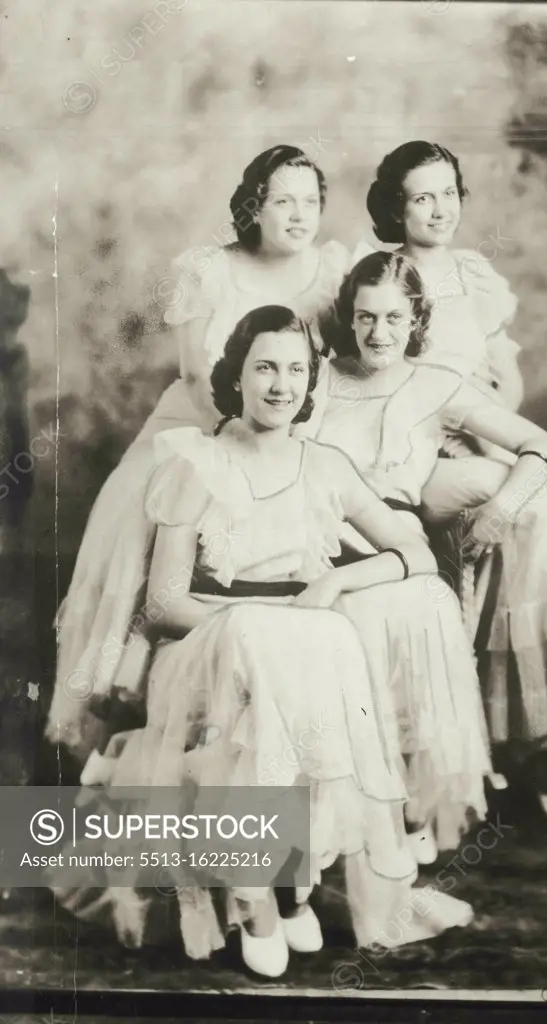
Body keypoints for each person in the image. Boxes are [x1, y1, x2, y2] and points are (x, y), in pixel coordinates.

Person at [49, 305, 486, 977]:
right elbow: (164, 604)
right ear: (237, 376)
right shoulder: (196, 461)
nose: (280, 385)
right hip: (203, 650)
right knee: (270, 637)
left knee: (327, 637)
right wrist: (256, 629)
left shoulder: (326, 465)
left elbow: (416, 554)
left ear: (310, 380)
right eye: (264, 368)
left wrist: (334, 587)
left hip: (295, 653)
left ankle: (295, 883)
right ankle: (255, 896)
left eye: (295, 369)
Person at [301, 251, 547, 825]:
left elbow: (541, 446)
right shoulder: (318, 378)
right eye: (367, 317)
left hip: (385, 544)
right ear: (349, 317)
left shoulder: (434, 386)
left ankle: (399, 814)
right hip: (312, 533)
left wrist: (500, 508)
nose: (380, 332)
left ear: (416, 320)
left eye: (395, 318)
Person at [47, 145, 351, 760]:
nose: (299, 215)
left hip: (284, 424)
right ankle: (124, 712)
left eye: (311, 202)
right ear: (254, 206)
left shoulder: (331, 272)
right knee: (136, 514)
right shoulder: (209, 268)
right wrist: (229, 453)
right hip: (199, 422)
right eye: (282, 201)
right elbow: (192, 375)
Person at [365, 139, 523, 523]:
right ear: (397, 207)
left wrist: (488, 428)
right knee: (527, 503)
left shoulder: (473, 271)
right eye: (423, 199)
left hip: (485, 435)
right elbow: (376, 387)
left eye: (449, 193)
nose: (441, 211)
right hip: (416, 452)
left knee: (535, 499)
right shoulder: (383, 277)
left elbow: (510, 381)